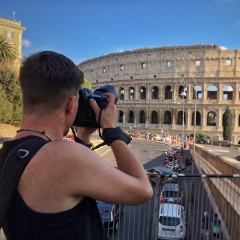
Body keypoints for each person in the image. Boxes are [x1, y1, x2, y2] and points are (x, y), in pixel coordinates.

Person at [0, 51, 153, 239]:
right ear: (72, 104)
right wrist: (111, 130)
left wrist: (83, 133)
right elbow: (143, 190)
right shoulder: (64, 156)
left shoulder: (8, 154)